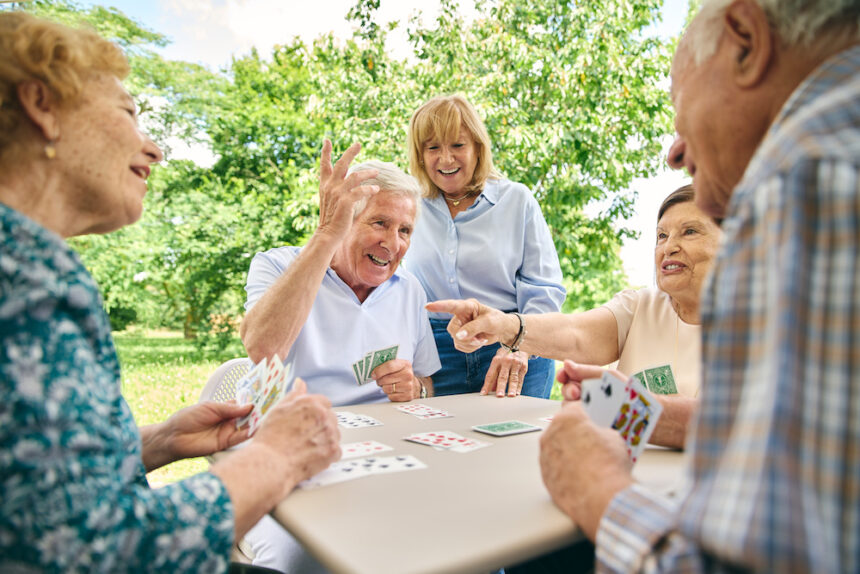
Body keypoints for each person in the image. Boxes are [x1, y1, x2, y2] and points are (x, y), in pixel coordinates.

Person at [0, 12, 341, 573]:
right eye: (129, 114)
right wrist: (276, 458)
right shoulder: (25, 280)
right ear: (42, 105)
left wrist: (159, 440)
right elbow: (99, 552)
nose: (154, 149)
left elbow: (33, 493)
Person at [538, 1, 860, 572]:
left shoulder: (807, 181)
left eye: (681, 111)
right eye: (661, 236)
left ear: (746, 40)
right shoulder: (644, 304)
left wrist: (596, 491)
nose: (674, 151)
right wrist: (619, 406)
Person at [239, 144, 441, 572]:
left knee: (443, 536)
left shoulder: (410, 291)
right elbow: (261, 346)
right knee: (304, 560)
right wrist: (326, 236)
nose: (393, 243)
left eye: (405, 230)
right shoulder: (277, 265)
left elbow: (426, 384)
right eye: (380, 223)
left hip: (378, 457)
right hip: (282, 452)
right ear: (345, 218)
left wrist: (415, 388)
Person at [428, 184, 720, 448]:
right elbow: (575, 332)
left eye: (690, 231)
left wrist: (616, 407)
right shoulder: (640, 305)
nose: (668, 247)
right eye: (661, 236)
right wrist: (504, 325)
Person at [405, 94, 566, 399]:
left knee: (515, 444)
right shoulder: (409, 206)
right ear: (420, 154)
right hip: (434, 356)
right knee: (439, 444)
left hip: (514, 347)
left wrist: (517, 345)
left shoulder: (517, 200)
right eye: (433, 148)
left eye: (457, 145)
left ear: (478, 147)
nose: (446, 159)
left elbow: (545, 290)